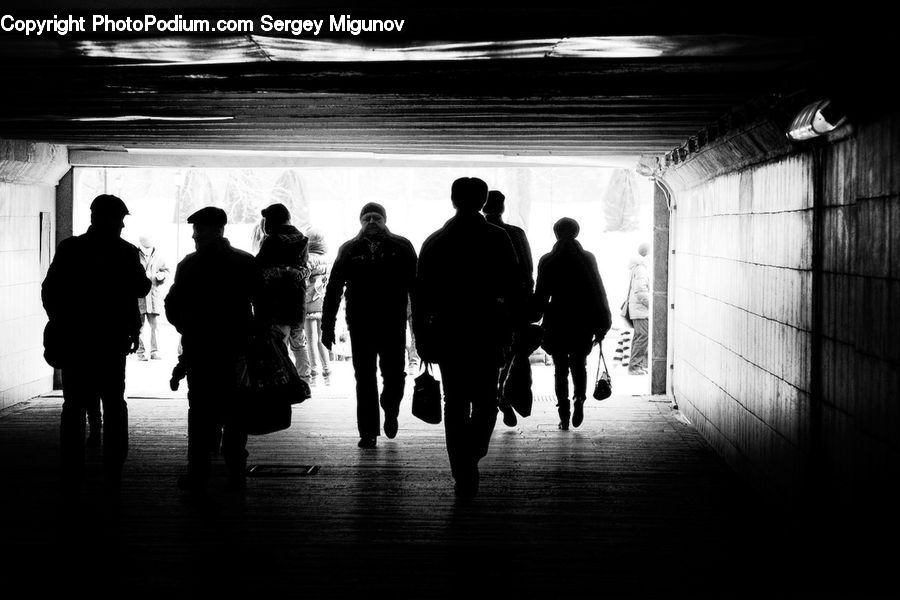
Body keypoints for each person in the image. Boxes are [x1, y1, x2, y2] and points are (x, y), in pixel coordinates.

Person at [415, 178, 521, 499]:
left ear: (452, 199)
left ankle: (462, 470)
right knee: (486, 398)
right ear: (483, 200)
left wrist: (421, 336)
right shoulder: (497, 237)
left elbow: (421, 295)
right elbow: (513, 286)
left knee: (455, 401)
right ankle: (474, 450)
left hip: (448, 333)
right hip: (488, 331)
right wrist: (511, 328)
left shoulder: (435, 241)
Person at [41, 194, 151, 485]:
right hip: (111, 339)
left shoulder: (71, 248)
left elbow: (50, 291)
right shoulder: (126, 252)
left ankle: (72, 462)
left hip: (76, 339)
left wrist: (61, 322)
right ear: (115, 220)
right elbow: (140, 288)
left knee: (74, 402)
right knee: (114, 401)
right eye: (121, 221)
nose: (122, 227)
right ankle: (114, 462)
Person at [165, 206, 259, 493]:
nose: (194, 235)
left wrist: (187, 329)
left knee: (201, 413)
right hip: (236, 349)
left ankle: (198, 473)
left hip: (200, 349)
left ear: (216, 230)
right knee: (235, 412)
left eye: (199, 229)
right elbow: (261, 305)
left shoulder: (189, 265)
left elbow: (173, 305)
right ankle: (236, 471)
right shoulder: (245, 262)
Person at [322, 202, 417, 449]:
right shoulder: (349, 249)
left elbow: (417, 287)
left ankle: (390, 407)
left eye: (376, 218)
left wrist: (420, 321)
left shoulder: (402, 246)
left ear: (385, 220)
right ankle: (368, 432)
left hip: (392, 321)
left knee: (394, 374)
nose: (372, 222)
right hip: (360, 323)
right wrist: (327, 325)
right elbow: (333, 288)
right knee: (364, 377)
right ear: (361, 222)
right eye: (367, 218)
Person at [533, 217, 612, 430]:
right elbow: (598, 291)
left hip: (557, 320)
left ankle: (564, 413)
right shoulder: (587, 258)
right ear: (576, 233)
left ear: (556, 234)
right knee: (579, 364)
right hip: (582, 320)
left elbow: (541, 295)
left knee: (560, 369)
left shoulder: (548, 260)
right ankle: (579, 399)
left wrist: (533, 317)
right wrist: (603, 322)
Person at [482, 189, 535, 427]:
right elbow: (527, 272)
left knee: (482, 357)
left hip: (480, 309)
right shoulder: (515, 233)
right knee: (512, 354)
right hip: (513, 309)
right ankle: (503, 393)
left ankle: (489, 399)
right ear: (503, 208)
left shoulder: (472, 234)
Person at [255, 203, 312, 394]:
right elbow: (303, 269)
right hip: (297, 303)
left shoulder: (272, 242)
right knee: (299, 343)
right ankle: (304, 379)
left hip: (275, 305)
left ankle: (287, 384)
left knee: (278, 348)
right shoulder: (302, 240)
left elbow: (259, 269)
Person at [303, 228, 331, 382]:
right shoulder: (327, 258)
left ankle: (314, 369)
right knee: (320, 339)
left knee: (310, 339)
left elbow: (303, 278)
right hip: (322, 301)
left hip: (309, 301)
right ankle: (327, 368)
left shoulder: (308, 259)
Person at [136, 235, 169, 361]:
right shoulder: (135, 255)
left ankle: (155, 351)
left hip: (153, 297)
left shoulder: (158, 256)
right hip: (139, 298)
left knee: (155, 327)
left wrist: (160, 276)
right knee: (139, 327)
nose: (147, 249)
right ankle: (141, 352)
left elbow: (166, 271)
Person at [624, 242, 651, 375]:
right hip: (640, 310)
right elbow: (641, 291)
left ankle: (637, 365)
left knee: (640, 337)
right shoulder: (641, 268)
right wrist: (652, 305)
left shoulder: (638, 267)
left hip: (637, 309)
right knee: (642, 337)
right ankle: (634, 367)